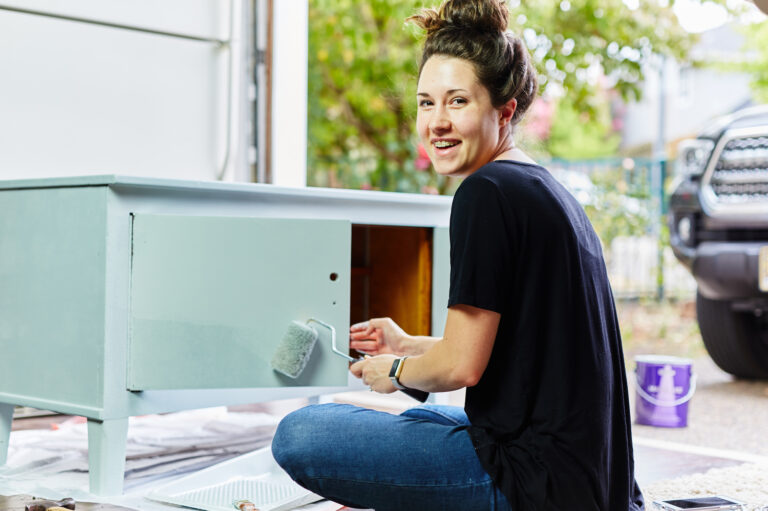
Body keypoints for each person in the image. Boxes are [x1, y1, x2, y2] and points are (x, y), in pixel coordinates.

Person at [271, 0, 645, 509]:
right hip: (591, 479)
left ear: (504, 109)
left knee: (302, 433)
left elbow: (464, 367)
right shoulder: (541, 189)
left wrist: (396, 374)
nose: (437, 123)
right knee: (424, 418)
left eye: (458, 102)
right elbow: (513, 351)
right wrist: (407, 346)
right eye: (426, 103)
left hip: (534, 485)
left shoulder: (486, 192)